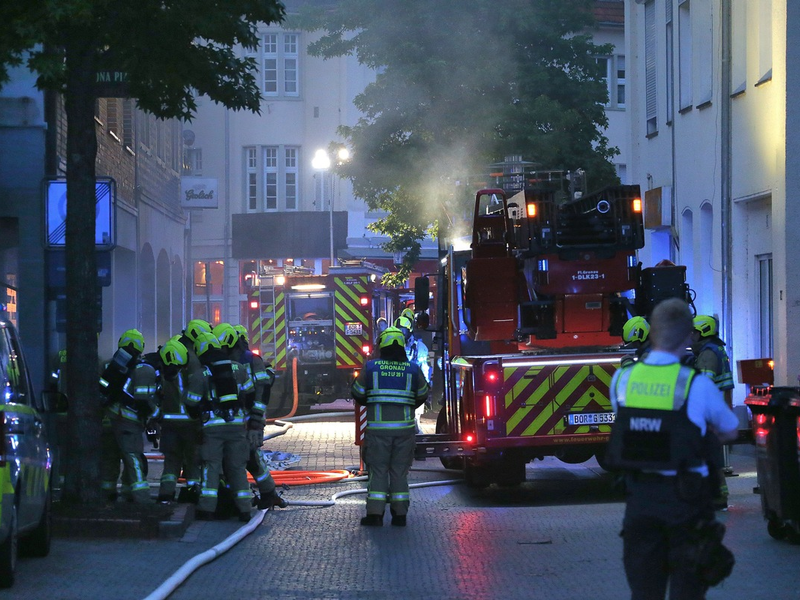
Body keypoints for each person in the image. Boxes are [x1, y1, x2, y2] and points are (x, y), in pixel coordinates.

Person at [607, 298, 738, 599]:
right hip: (687, 502)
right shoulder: (695, 385)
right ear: (687, 335)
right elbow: (730, 428)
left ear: (652, 334)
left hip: (640, 500)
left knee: (644, 592)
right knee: (687, 592)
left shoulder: (623, 380)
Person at [351, 327, 429, 527]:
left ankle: (375, 516)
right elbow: (423, 394)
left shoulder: (371, 368)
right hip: (404, 431)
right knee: (399, 472)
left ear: (382, 345)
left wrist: (371, 400)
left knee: (378, 471)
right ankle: (400, 516)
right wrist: (409, 405)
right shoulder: (412, 369)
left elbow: (357, 392)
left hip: (378, 432)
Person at [188, 330, 256, 521]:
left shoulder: (200, 374)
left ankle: (207, 509)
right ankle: (245, 509)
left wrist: (199, 415)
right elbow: (250, 393)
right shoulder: (239, 368)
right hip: (237, 426)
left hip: (212, 429)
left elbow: (191, 402)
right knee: (237, 467)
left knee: (211, 466)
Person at [227, 323, 287, 509]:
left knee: (249, 457)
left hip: (247, 418)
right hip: (241, 418)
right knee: (249, 457)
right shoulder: (246, 359)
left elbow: (262, 389)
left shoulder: (250, 359)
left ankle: (264, 494)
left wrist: (255, 417)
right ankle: (267, 493)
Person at [99, 329, 160, 503]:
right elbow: (143, 401)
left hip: (108, 420)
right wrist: (156, 414)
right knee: (133, 458)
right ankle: (140, 497)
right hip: (128, 423)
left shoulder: (107, 365)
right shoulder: (141, 369)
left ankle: (107, 494)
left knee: (109, 459)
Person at [147, 338, 203, 504]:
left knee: (171, 463)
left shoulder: (162, 376)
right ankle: (193, 494)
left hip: (169, 427)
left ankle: (166, 495)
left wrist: (157, 416)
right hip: (190, 427)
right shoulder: (189, 374)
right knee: (192, 462)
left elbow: (152, 398)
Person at [691, 314, 737, 508]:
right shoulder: (717, 350)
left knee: (708, 458)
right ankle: (717, 497)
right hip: (716, 412)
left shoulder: (708, 354)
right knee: (712, 458)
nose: (690, 336)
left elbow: (703, 386)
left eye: (693, 332)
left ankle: (716, 498)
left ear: (703, 332)